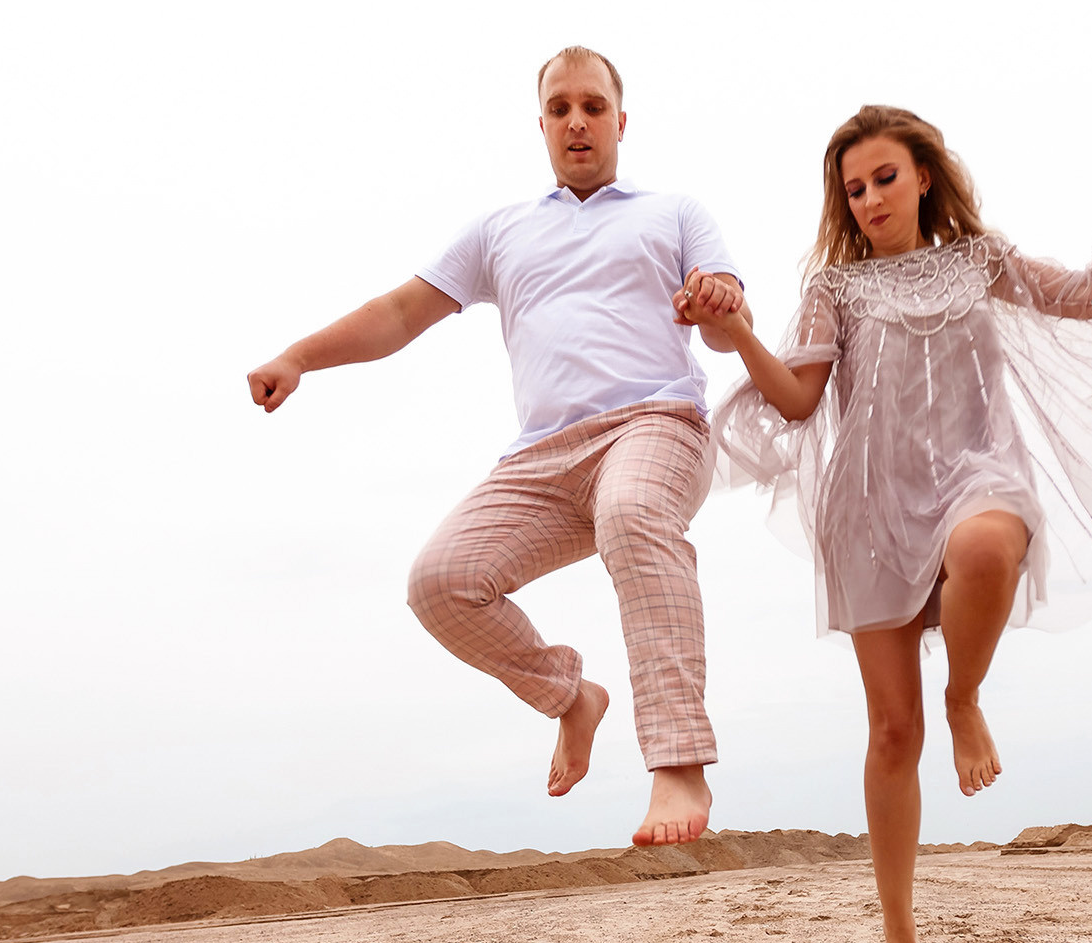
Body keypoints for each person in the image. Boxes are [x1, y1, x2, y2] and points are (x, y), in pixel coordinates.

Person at [681, 105, 1092, 943]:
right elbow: (800, 402)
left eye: (885, 178)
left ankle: (965, 694)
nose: (870, 199)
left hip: (976, 473)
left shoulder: (982, 259)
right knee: (894, 733)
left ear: (924, 175)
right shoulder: (834, 289)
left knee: (986, 546)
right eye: (855, 188)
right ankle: (900, 935)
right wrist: (739, 338)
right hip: (871, 510)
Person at [248, 47, 747, 846]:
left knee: (630, 513)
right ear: (541, 125)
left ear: (621, 121)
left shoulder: (675, 213)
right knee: (441, 581)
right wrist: (299, 357)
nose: (577, 121)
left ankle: (679, 764)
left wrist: (720, 303)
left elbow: (726, 333)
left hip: (654, 425)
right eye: (560, 108)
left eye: (593, 106)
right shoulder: (500, 231)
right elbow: (400, 312)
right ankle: (571, 698)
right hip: (541, 459)